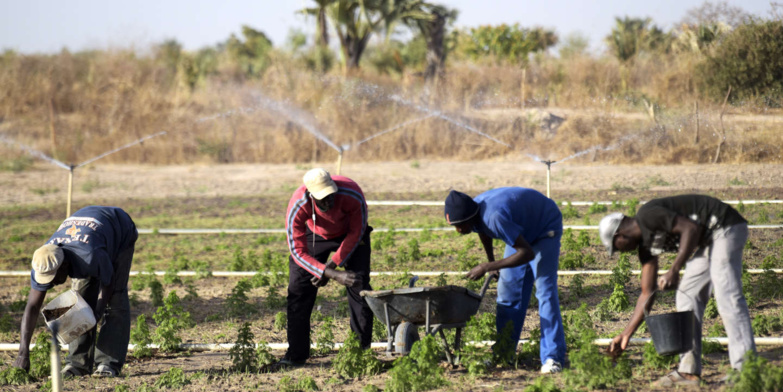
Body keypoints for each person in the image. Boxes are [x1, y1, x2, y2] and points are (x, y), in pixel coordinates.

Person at [600, 194, 756, 387]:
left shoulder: (647, 215)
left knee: (727, 297)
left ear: (619, 235)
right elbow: (647, 292)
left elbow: (690, 228)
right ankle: (688, 371)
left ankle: (746, 369)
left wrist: (674, 270)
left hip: (725, 226)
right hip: (709, 239)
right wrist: (626, 334)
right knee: (687, 296)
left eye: (616, 248)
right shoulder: (646, 247)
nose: (620, 252)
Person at [444, 188, 566, 374]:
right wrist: (493, 263)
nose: (458, 230)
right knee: (508, 292)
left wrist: (486, 266)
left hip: (544, 226)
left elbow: (527, 253)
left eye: (460, 225)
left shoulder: (494, 217)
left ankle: (553, 357)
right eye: (454, 225)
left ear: (469, 216)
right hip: (521, 231)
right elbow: (483, 230)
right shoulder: (473, 209)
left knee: (545, 291)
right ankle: (503, 352)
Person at [13, 206, 138, 378]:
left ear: (64, 265)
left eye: (53, 278)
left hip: (119, 229)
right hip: (91, 236)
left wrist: (96, 314)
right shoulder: (43, 260)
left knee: (115, 298)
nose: (53, 283)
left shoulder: (90, 256)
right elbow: (32, 307)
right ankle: (77, 365)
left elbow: (108, 285)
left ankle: (108, 363)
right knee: (79, 303)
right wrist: (23, 353)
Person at [275, 168, 374, 369]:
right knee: (299, 289)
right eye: (322, 200)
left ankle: (360, 350)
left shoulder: (352, 194)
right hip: (315, 235)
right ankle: (297, 354)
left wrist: (332, 266)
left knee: (358, 283)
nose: (328, 202)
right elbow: (298, 251)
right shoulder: (298, 204)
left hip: (349, 234)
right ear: (311, 196)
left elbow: (357, 232)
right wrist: (325, 272)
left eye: (330, 196)